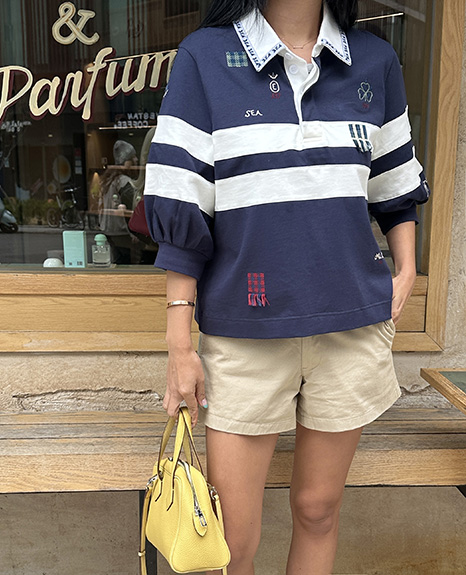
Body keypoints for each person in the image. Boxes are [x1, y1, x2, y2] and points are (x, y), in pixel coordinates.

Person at [144, 1, 430, 573]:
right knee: (232, 542)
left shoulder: (375, 61)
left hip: (351, 332)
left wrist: (407, 270)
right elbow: (183, 202)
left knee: (318, 511)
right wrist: (179, 345)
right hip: (245, 336)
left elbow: (395, 186)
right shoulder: (206, 57)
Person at [99, 140, 139, 264]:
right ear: (125, 161)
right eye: (132, 157)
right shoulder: (123, 181)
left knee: (117, 262)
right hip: (122, 231)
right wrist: (135, 233)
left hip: (108, 229)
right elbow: (132, 207)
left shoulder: (108, 180)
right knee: (128, 264)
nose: (136, 160)